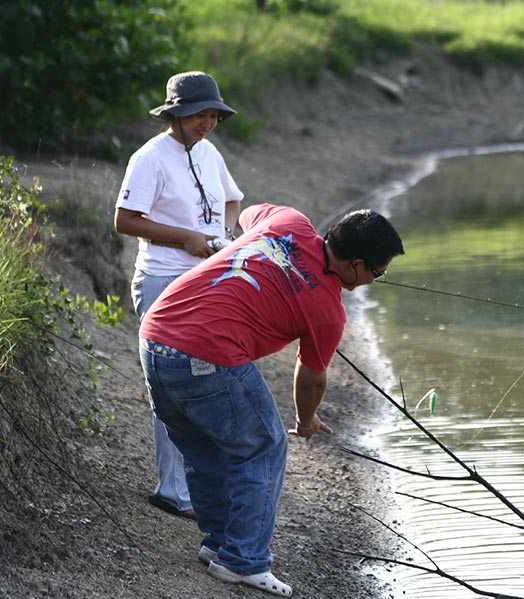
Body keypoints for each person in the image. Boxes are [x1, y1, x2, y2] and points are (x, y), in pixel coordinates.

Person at [138, 203, 404, 595]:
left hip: (154, 337)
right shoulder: (328, 312)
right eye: (377, 274)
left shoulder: (289, 221)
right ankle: (243, 561)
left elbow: (248, 215)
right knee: (265, 446)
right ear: (356, 265)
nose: (375, 280)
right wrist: (305, 421)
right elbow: (311, 379)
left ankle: (219, 544)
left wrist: (242, 245)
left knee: (202, 446)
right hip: (205, 354)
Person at [114, 71, 244, 519]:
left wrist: (222, 234)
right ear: (176, 113)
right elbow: (125, 220)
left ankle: (192, 487)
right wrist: (184, 238)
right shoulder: (149, 157)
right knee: (171, 386)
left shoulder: (209, 152)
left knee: (199, 379)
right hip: (161, 281)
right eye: (199, 115)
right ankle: (172, 491)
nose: (207, 123)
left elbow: (232, 200)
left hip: (205, 279)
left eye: (213, 115)